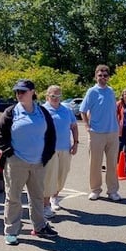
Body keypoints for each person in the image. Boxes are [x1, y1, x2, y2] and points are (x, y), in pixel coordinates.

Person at [0, 79, 57, 246]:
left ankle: (39, 226)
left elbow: (51, 135)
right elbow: (1, 134)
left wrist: (46, 156)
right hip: (16, 163)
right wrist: (9, 153)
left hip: (38, 163)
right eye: (17, 92)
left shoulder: (42, 112)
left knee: (37, 197)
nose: (19, 94)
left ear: (32, 92)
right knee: (13, 197)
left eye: (23, 91)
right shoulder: (11, 112)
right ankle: (11, 231)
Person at [79, 65, 121, 201]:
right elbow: (83, 110)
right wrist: (87, 126)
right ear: (96, 77)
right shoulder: (92, 92)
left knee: (112, 164)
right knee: (95, 164)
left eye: (105, 75)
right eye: (100, 75)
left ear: (108, 77)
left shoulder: (111, 91)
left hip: (112, 132)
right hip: (96, 132)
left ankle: (113, 190)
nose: (103, 77)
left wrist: (117, 126)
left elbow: (114, 111)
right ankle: (95, 189)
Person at [42, 85, 79, 218]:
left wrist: (75, 143)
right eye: (53, 96)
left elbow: (74, 127)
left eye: (58, 96)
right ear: (47, 96)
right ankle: (45, 205)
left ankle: (55, 196)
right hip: (49, 149)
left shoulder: (66, 110)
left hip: (65, 148)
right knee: (49, 177)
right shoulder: (43, 110)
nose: (56, 99)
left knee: (62, 175)